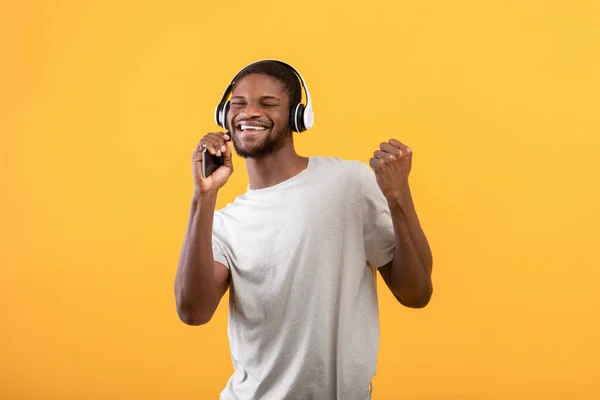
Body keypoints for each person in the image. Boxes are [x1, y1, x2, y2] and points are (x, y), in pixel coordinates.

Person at [174, 60, 433, 400]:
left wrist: (398, 196)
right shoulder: (223, 223)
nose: (248, 112)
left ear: (299, 117)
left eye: (267, 103)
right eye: (238, 103)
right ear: (224, 115)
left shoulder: (348, 184)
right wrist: (203, 197)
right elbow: (193, 312)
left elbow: (416, 293)